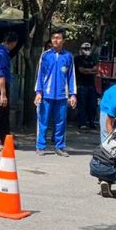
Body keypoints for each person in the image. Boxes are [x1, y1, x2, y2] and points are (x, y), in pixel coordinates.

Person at [34, 28, 77, 156]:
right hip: (46, 94)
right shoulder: (45, 55)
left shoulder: (68, 56)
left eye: (58, 38)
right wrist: (38, 92)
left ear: (63, 40)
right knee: (43, 121)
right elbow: (40, 75)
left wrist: (73, 94)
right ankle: (41, 146)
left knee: (61, 122)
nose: (55, 40)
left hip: (62, 96)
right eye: (53, 38)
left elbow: (71, 76)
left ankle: (60, 146)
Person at [75, 41, 100, 131]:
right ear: (81, 50)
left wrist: (87, 71)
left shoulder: (92, 59)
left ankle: (92, 122)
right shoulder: (78, 59)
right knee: (82, 105)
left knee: (93, 105)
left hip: (91, 85)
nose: (87, 50)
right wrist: (90, 70)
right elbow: (81, 70)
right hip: (81, 85)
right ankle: (82, 123)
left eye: (88, 48)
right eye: (85, 49)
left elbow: (97, 70)